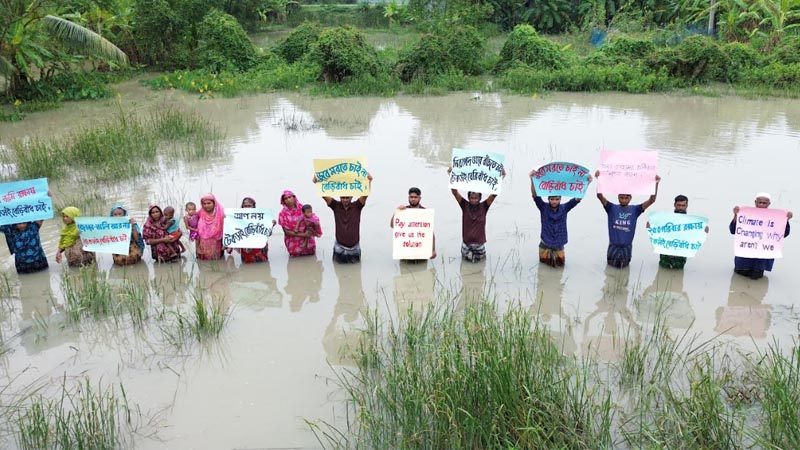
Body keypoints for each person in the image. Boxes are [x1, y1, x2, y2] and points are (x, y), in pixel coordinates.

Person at [595, 171, 660, 268]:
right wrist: (599, 179)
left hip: (627, 248)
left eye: (626, 198)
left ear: (630, 198)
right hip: (613, 247)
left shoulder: (635, 210)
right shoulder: (611, 208)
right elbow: (599, 196)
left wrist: (656, 184)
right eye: (622, 197)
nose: (624, 199)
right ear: (618, 197)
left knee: (624, 270)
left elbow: (652, 200)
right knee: (610, 271)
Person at [530, 169, 592, 267]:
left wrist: (587, 183)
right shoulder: (543, 207)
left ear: (560, 199)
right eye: (552, 199)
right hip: (545, 244)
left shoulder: (565, 208)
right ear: (549, 199)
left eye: (557, 199)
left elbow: (578, 198)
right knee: (543, 271)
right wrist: (532, 179)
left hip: (559, 244)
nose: (554, 201)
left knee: (559, 269)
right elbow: (535, 195)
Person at [729, 193, 792, 280]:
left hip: (760, 262)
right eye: (760, 202)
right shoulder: (746, 215)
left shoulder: (774, 218)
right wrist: (736, 215)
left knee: (756, 282)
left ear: (769, 204)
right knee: (738, 281)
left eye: (764, 203)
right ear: (755, 202)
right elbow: (733, 230)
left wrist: (785, 220)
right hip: (743, 259)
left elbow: (784, 234)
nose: (762, 205)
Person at [448, 167, 505, 263]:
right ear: (468, 198)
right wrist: (451, 175)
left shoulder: (484, 206)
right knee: (465, 270)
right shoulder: (464, 205)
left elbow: (494, 193)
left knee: (480, 270)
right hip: (466, 245)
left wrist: (501, 177)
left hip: (480, 246)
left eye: (476, 198)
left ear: (480, 198)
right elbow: (454, 192)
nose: (473, 200)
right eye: (472, 198)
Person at [314, 173, 373, 264]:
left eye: (347, 197)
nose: (345, 200)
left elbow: (365, 194)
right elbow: (324, 195)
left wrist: (369, 181)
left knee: (356, 274)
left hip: (354, 247)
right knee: (339, 272)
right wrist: (317, 183)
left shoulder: (357, 206)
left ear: (351, 197)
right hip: (339, 247)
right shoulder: (335, 206)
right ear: (340, 197)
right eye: (343, 197)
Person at [646, 194, 709, 270]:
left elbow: (697, 237)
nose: (681, 208)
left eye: (683, 205)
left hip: (680, 259)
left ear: (686, 206)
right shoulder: (665, 219)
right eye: (679, 205)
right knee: (661, 275)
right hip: (665, 257)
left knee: (678, 277)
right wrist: (650, 225)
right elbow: (653, 230)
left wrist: (704, 231)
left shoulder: (692, 223)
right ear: (674, 205)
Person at [390, 187, 436, 260]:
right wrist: (396, 212)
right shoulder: (403, 211)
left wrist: (433, 250)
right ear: (408, 198)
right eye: (411, 197)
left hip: (421, 253)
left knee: (422, 270)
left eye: (415, 197)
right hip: (405, 253)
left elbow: (430, 232)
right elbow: (392, 226)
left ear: (419, 198)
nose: (413, 199)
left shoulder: (424, 212)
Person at [229, 196, 276, 264]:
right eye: (245, 206)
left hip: (260, 247)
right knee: (247, 265)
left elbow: (268, 233)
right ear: (242, 207)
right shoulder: (238, 219)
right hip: (246, 247)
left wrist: (271, 226)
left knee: (263, 266)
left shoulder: (261, 217)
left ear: (253, 206)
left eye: (249, 206)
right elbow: (233, 233)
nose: (247, 208)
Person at [278, 190, 317, 256]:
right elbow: (286, 231)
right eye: (285, 199)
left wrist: (309, 233)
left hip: (308, 238)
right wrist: (303, 235)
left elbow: (312, 219)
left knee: (310, 256)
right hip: (293, 241)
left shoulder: (303, 208)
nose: (288, 200)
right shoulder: (282, 214)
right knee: (294, 258)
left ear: (294, 197)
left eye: (290, 197)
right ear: (283, 201)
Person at [197, 193, 225, 260]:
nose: (206, 206)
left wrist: (225, 244)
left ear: (214, 203)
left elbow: (227, 229)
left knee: (216, 263)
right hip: (203, 244)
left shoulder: (221, 213)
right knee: (203, 264)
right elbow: (195, 232)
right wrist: (197, 247)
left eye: (209, 203)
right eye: (204, 203)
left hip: (216, 243)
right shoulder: (200, 213)